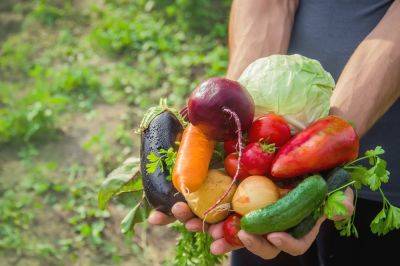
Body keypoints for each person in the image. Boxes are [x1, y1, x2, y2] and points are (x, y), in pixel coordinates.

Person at [148, 0, 400, 265]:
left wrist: (327, 141)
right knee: (259, 241)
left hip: (383, 179)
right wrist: (232, 112)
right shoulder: (246, 166)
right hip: (260, 171)